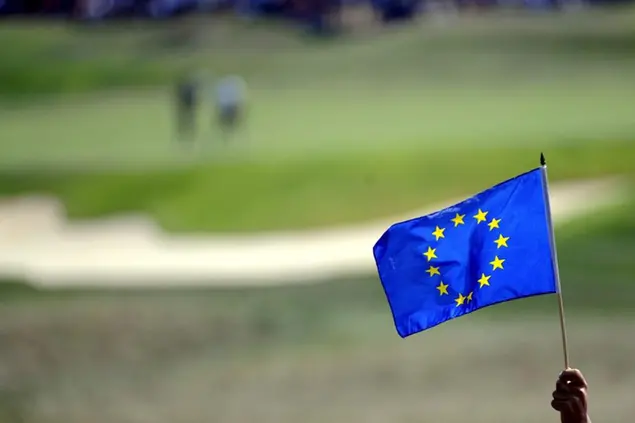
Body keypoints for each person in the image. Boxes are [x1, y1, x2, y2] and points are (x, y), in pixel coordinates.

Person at [213, 74, 247, 141]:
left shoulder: (233, 85)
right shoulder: (224, 86)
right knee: (225, 123)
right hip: (226, 107)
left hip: (231, 107)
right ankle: (227, 135)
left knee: (231, 123)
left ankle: (230, 135)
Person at [174, 74, 199, 144]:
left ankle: (186, 133)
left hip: (186, 106)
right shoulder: (190, 87)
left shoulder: (183, 87)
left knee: (187, 120)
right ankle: (186, 133)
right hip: (188, 106)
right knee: (187, 120)